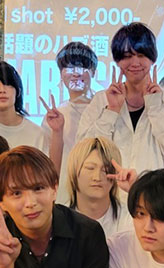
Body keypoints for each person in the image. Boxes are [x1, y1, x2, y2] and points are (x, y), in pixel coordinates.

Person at [77, 22, 164, 174]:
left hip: (154, 187)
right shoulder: (102, 100)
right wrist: (111, 111)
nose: (135, 63)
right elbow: (84, 151)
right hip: (112, 186)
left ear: (152, 58)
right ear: (117, 61)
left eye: (141, 55)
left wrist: (156, 107)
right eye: (127, 56)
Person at [42, 42, 98, 204]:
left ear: (93, 72)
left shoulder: (107, 108)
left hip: (100, 194)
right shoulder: (54, 116)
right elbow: (49, 166)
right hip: (65, 198)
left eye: (82, 67)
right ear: (61, 73)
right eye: (69, 68)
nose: (75, 73)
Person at [65, 136, 133, 237]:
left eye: (105, 170)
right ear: (73, 171)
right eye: (90, 168)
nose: (97, 177)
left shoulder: (130, 220)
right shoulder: (59, 221)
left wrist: (136, 188)